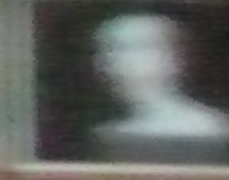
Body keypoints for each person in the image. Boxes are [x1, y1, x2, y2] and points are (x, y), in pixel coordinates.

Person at [81, 10, 229, 167]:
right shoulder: (110, 130)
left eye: (132, 48)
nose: (110, 60)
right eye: (105, 50)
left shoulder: (206, 128)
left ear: (174, 58)